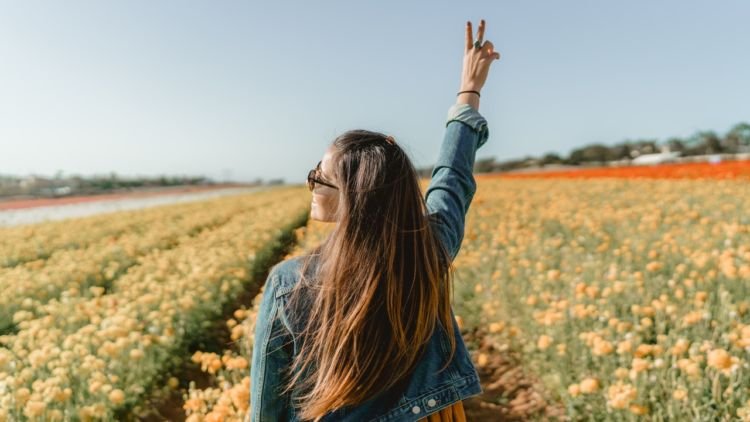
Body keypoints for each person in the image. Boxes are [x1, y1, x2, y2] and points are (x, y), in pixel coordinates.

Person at [250, 19, 501, 422]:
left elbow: (267, 410)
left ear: (354, 196)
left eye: (321, 177)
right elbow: (451, 181)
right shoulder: (427, 253)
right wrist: (468, 92)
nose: (311, 182)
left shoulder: (289, 283)